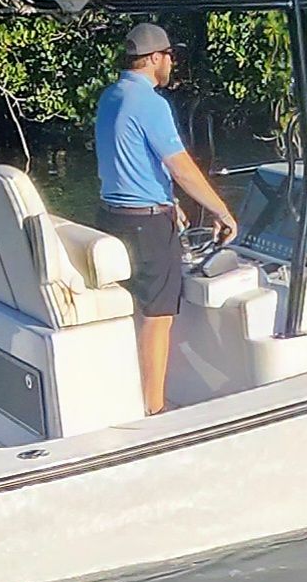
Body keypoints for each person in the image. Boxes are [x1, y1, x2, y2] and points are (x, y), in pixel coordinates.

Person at [94, 22, 239, 415]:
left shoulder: (110, 96)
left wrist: (168, 200)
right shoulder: (150, 103)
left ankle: (132, 396)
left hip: (112, 218)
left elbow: (126, 161)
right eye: (170, 56)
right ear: (155, 58)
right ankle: (154, 412)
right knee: (157, 317)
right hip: (147, 225)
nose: (172, 63)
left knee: (134, 310)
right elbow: (182, 168)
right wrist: (221, 211)